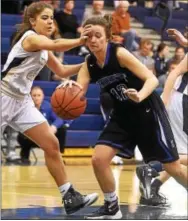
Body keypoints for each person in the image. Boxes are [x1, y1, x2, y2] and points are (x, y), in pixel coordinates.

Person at [64, 16, 188, 219]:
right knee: (99, 159)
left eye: (98, 36)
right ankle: (112, 207)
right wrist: (68, 88)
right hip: (122, 115)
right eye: (89, 36)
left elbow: (151, 78)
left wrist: (139, 95)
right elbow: (79, 92)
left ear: (107, 37)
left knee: (172, 167)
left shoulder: (119, 53)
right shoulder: (89, 64)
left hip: (147, 111)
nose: (93, 40)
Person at [1, 1, 98, 215]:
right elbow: (57, 45)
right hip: (3, 96)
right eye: (44, 17)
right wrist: (81, 40)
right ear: (32, 21)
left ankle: (69, 196)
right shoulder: (30, 38)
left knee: (52, 144)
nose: (50, 21)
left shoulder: (44, 48)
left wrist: (88, 66)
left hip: (21, 101)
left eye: (52, 18)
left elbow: (62, 71)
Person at [136, 29, 188, 206]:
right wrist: (164, 100)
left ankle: (154, 184)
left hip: (182, 101)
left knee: (179, 156)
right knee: (181, 156)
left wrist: (184, 42)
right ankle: (152, 168)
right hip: (183, 101)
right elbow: (174, 73)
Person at [17, 86, 71, 165]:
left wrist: (54, 126)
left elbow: (59, 118)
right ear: (30, 97)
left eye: (39, 95)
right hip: (31, 137)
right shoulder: (25, 107)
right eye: (34, 95)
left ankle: (58, 156)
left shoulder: (48, 106)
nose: (36, 98)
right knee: (22, 134)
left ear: (43, 96)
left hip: (45, 137)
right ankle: (24, 157)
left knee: (62, 130)